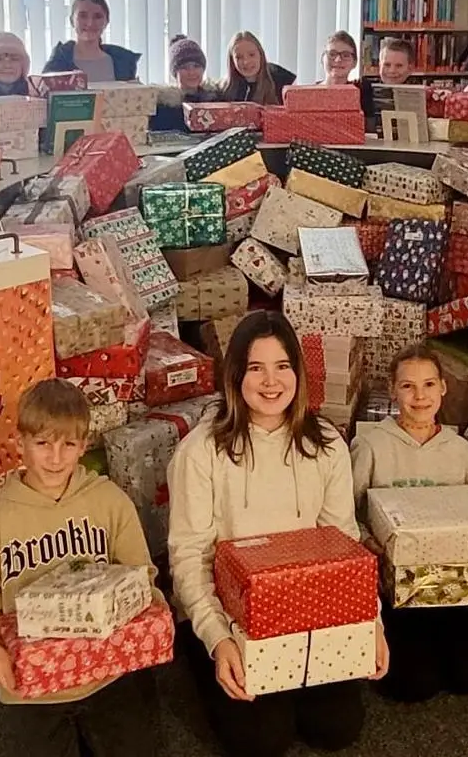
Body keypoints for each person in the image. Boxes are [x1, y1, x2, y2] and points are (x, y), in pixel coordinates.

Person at [168, 311, 387, 757]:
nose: (271, 382)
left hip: (306, 609)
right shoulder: (201, 451)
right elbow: (190, 555)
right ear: (235, 374)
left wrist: (372, 621)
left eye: (283, 366)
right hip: (231, 612)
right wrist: (218, 639)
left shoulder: (325, 442)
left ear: (298, 373)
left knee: (337, 729)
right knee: (262, 740)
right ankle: (197, 662)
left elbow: (343, 542)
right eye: (255, 368)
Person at [0, 379, 164, 757]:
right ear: (20, 444)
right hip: (34, 682)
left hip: (108, 670)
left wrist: (150, 615)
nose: (55, 457)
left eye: (68, 444)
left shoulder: (109, 501)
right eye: (43, 443)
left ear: (84, 446)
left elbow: (141, 576)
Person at [350, 345, 468, 703]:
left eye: (429, 385)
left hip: (449, 583)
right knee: (414, 684)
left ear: (443, 388)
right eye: (408, 386)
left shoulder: (463, 453)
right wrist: (369, 542)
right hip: (392, 586)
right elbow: (348, 512)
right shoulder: (370, 446)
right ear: (393, 390)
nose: (419, 396)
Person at [42, 0, 141, 82]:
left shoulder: (123, 62)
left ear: (106, 22)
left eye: (97, 16)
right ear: (72, 21)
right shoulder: (58, 62)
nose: (90, 23)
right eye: (83, 16)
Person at [152, 34, 222, 131]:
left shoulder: (215, 101)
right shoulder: (164, 106)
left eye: (196, 66)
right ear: (175, 72)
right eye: (184, 67)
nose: (191, 72)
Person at [220, 30, 295, 105]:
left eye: (252, 55)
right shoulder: (224, 90)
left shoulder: (279, 76)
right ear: (232, 61)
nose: (246, 61)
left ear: (261, 55)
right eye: (239, 57)